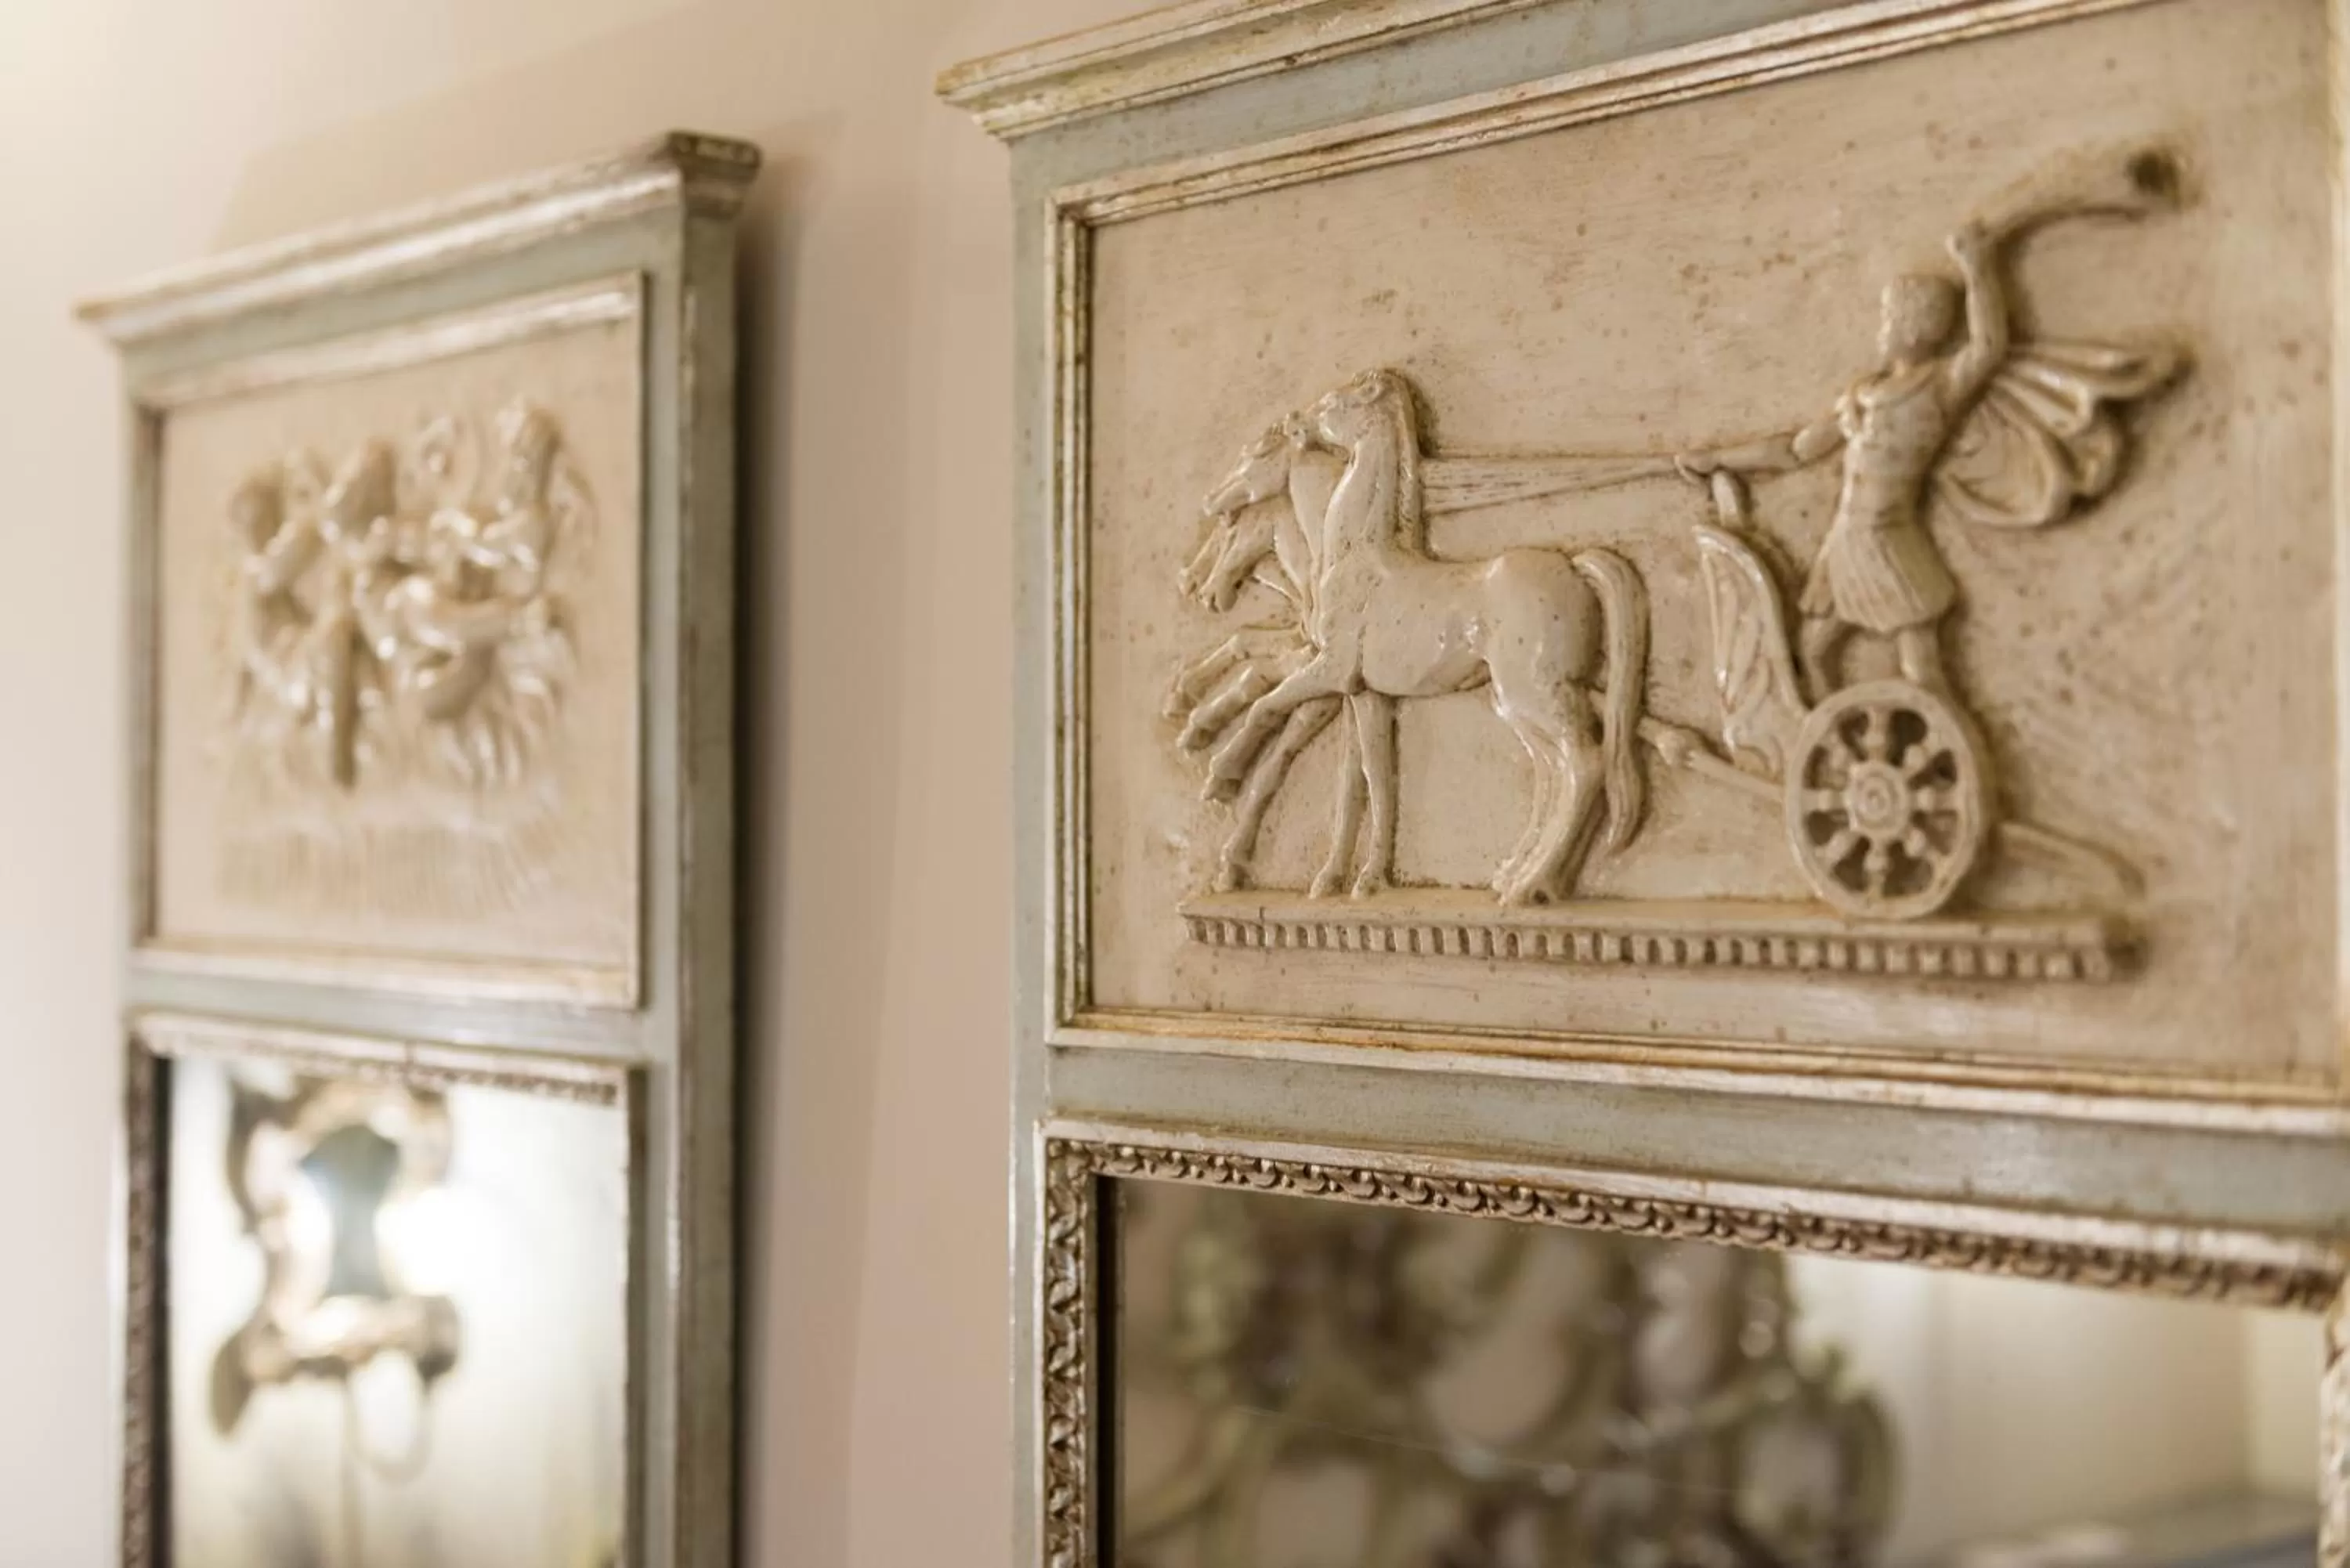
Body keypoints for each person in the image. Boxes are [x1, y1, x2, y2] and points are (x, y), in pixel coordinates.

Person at [1680, 221, 2008, 703]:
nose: (1883, 329)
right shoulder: (1864, 395)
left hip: (1889, 536)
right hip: (1846, 540)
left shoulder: (1937, 389)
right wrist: (1718, 458)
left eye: (1890, 319)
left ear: (1916, 329)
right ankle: (1838, 749)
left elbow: (1987, 350)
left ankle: (1943, 751)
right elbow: (1795, 450)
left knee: (1921, 663)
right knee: (1813, 651)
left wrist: (1978, 268)